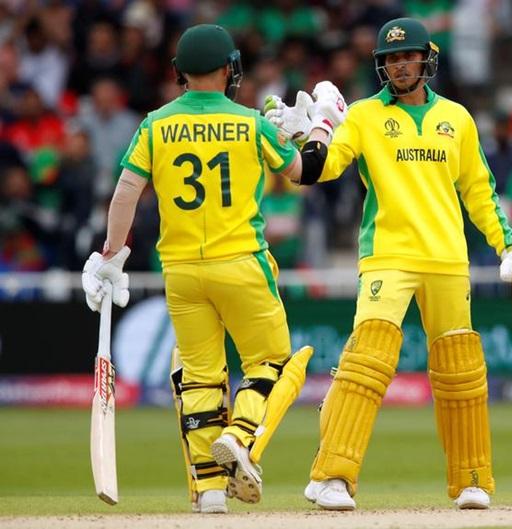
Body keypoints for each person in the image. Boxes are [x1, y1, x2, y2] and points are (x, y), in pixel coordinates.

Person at [264, 17, 512, 511]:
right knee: (367, 360)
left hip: (446, 259)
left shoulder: (457, 119)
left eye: (407, 56)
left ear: (426, 59)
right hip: (388, 255)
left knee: (460, 369)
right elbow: (322, 167)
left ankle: (472, 481)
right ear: (382, 66)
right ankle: (331, 476)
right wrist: (299, 137)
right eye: (391, 58)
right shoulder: (363, 115)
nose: (399, 65)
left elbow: (479, 191)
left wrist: (510, 248)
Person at [80, 24, 338, 514]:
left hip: (180, 271)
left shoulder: (155, 124)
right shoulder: (250, 122)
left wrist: (111, 255)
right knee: (273, 363)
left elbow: (126, 194)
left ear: (178, 73)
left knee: (199, 378)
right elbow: (305, 172)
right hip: (242, 261)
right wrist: (322, 128)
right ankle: (241, 436)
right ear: (228, 69)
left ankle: (212, 491)